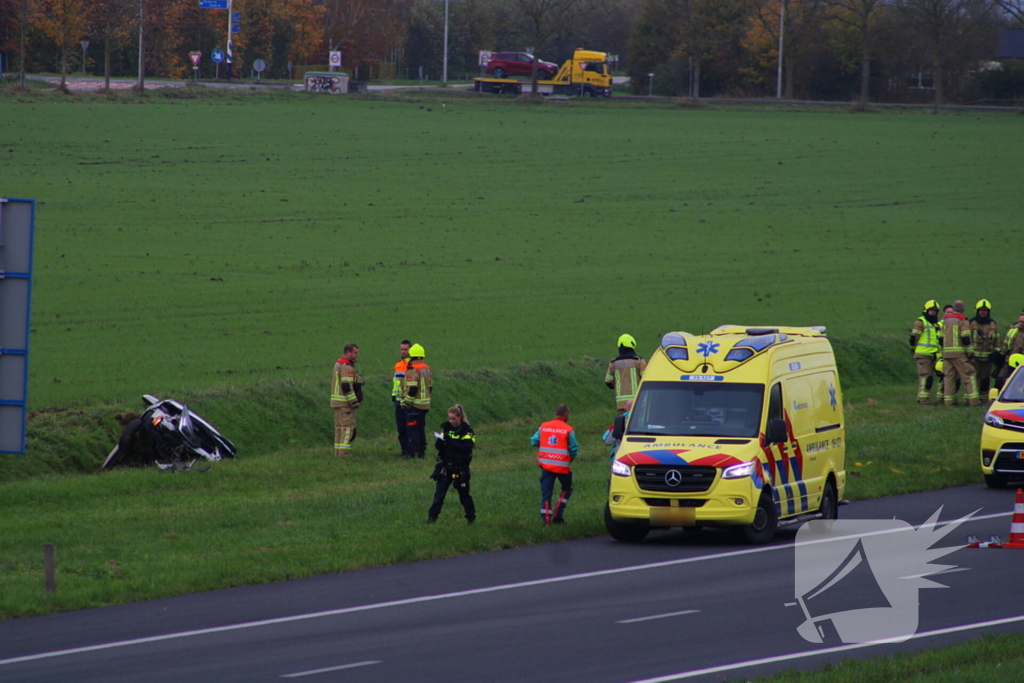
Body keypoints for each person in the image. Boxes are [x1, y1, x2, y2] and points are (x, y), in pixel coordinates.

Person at [427, 405, 476, 524]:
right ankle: (431, 518)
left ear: (460, 417)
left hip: (460, 468)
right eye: (450, 418)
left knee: (464, 496)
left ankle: (470, 518)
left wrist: (450, 441)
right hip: (446, 466)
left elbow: (466, 448)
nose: (451, 421)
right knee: (439, 495)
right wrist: (440, 440)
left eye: (453, 418)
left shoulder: (467, 431)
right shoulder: (447, 429)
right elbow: (439, 447)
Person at [531, 404, 579, 525]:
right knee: (566, 489)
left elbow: (534, 441)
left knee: (546, 494)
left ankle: (546, 521)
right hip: (562, 467)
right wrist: (569, 459)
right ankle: (558, 515)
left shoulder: (544, 426)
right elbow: (574, 448)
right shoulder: (568, 429)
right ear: (566, 414)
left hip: (546, 465)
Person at [941, 301, 981, 406]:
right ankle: (974, 401)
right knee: (970, 375)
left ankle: (949, 402)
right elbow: (965, 337)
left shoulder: (945, 320)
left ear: (953, 309)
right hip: (959, 354)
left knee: (949, 377)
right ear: (962, 310)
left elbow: (940, 338)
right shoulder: (962, 320)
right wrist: (970, 354)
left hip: (946, 354)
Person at [330, 344, 363, 456]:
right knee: (347, 428)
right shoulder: (347, 366)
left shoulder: (338, 364)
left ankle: (338, 451)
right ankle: (344, 452)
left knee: (339, 428)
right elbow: (346, 386)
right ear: (348, 353)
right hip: (345, 403)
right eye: (355, 353)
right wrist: (354, 401)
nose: (357, 355)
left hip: (336, 402)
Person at [401, 343, 433, 458]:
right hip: (425, 404)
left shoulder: (413, 370)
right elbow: (430, 387)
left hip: (415, 405)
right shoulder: (426, 369)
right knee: (420, 428)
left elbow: (412, 389)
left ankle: (413, 452)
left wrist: (406, 402)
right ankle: (421, 451)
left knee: (412, 429)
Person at [909, 300, 942, 405]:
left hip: (933, 354)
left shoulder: (935, 324)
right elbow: (913, 338)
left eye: (935, 311)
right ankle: (923, 400)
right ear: (926, 311)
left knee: (930, 377)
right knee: (926, 377)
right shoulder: (921, 322)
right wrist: (914, 349)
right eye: (931, 311)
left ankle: (922, 398)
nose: (933, 313)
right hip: (923, 354)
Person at [604, 334, 647, 415]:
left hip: (621, 404)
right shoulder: (638, 361)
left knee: (623, 424)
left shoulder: (613, 363)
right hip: (638, 402)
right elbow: (646, 378)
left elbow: (608, 382)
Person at [392, 340, 412, 457]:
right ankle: (404, 449)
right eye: (402, 349)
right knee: (401, 427)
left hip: (408, 400)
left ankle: (411, 449)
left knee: (410, 426)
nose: (403, 351)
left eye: (406, 349)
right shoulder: (398, 364)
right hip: (398, 400)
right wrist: (393, 396)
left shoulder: (412, 365)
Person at [996, 311, 1024, 390]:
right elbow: (1006, 344)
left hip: (1022, 364)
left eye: (1023, 322)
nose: (1021, 324)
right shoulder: (1013, 330)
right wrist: (1001, 354)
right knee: (1000, 379)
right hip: (1009, 361)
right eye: (1020, 321)